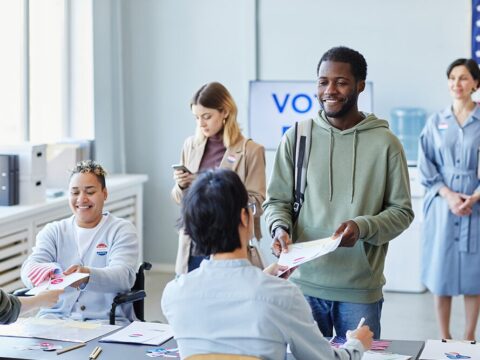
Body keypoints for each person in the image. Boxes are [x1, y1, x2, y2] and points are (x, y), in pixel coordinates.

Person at [263, 46, 414, 339]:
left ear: (359, 86)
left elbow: (402, 212)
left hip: (359, 291)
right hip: (302, 284)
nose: (329, 90)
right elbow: (277, 201)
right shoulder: (297, 137)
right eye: (323, 81)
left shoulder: (386, 143)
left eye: (341, 82)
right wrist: (279, 228)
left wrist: (363, 226)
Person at [162, 169, 373, 359]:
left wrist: (264, 279)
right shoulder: (282, 295)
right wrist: (357, 344)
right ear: (244, 217)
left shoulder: (174, 294)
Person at [20, 160, 139, 323]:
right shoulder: (53, 231)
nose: (81, 199)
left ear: (104, 193)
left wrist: (86, 276)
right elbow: (29, 270)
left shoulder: (121, 230)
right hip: (53, 320)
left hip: (105, 322)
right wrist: (44, 272)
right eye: (75, 193)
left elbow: (123, 277)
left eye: (90, 192)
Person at [171, 82, 266, 274]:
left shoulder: (251, 151)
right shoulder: (190, 145)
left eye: (207, 116)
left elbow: (257, 204)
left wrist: (209, 187)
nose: (201, 123)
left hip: (230, 244)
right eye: (196, 117)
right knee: (193, 300)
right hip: (194, 243)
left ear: (225, 112)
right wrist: (181, 186)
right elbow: (179, 199)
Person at [418, 58, 480, 341]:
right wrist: (449, 195)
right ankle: (444, 337)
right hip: (442, 203)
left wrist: (474, 197)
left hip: (476, 205)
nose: (457, 84)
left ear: (476, 84)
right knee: (440, 270)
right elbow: (426, 163)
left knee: (473, 273)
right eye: (453, 77)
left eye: (464, 78)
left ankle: (469, 337)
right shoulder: (436, 121)